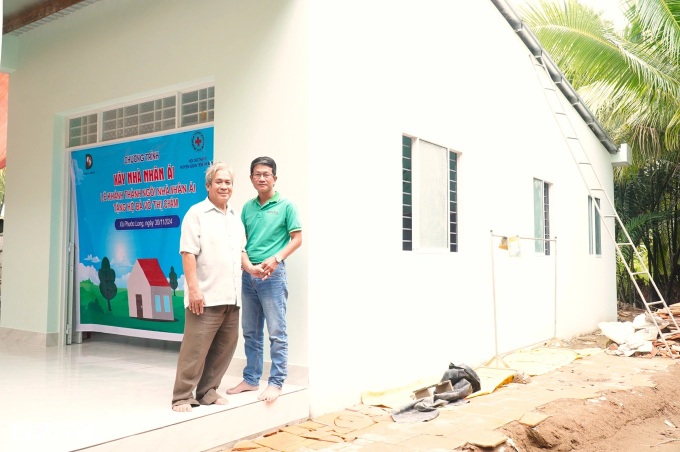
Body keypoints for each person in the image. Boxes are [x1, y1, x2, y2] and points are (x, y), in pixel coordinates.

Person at [171, 162, 246, 412]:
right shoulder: (196, 214)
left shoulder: (235, 217)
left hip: (232, 296)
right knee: (195, 349)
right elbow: (188, 253)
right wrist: (193, 289)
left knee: (225, 348)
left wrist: (253, 268)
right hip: (205, 295)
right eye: (219, 182)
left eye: (228, 182)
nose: (224, 186)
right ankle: (182, 396)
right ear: (208, 185)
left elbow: (241, 252)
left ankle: (208, 391)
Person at [227, 156, 302, 402]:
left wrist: (276, 259)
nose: (262, 178)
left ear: (274, 178)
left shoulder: (287, 205)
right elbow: (241, 243)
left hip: (273, 275)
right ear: (251, 179)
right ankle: (250, 379)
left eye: (266, 174)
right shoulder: (247, 208)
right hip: (249, 275)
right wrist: (248, 267)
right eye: (257, 174)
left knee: (277, 332)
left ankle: (277, 382)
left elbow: (297, 239)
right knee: (250, 331)